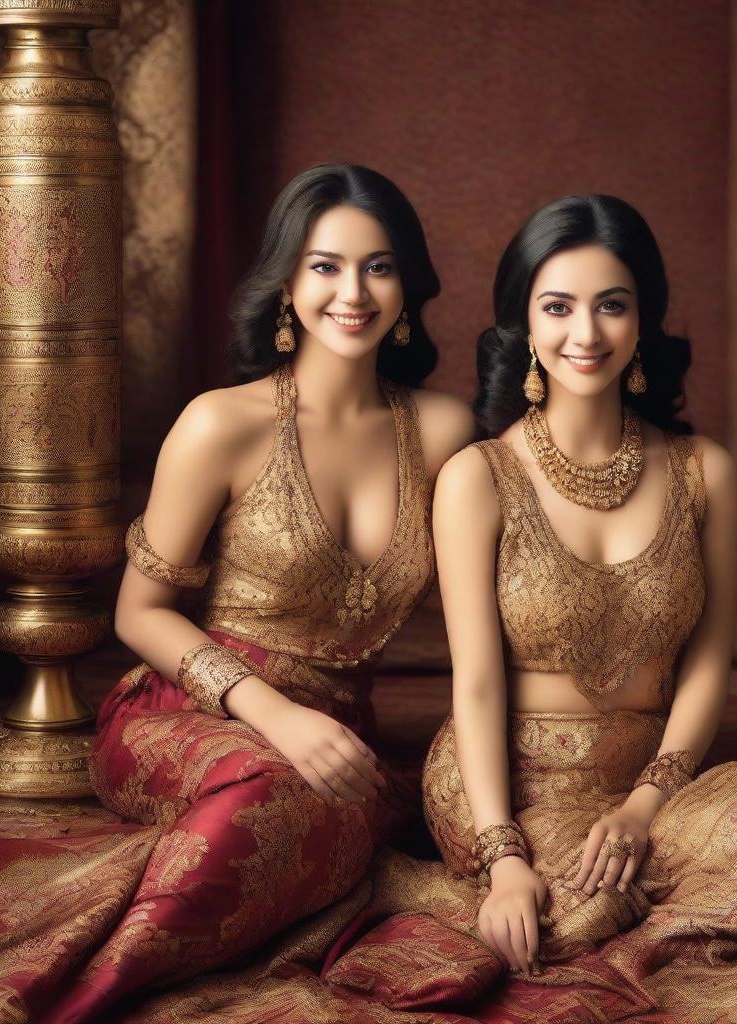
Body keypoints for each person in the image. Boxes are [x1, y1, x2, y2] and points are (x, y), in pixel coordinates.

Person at [406, 194, 737, 1020]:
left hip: (653, 782)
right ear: (523, 326)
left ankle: (619, 922)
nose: (586, 334)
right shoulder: (478, 478)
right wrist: (501, 858)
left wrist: (646, 805)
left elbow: (708, 662)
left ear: (645, 321)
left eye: (612, 305)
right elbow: (478, 684)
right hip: (507, 779)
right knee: (542, 916)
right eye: (558, 307)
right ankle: (460, 891)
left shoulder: (702, 469)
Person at [43, 164, 473, 1023]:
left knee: (334, 807)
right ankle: (78, 999)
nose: (353, 292)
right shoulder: (222, 423)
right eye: (324, 266)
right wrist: (273, 714)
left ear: (408, 285)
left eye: (378, 267)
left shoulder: (443, 431)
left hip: (342, 736)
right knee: (272, 793)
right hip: (186, 711)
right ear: (285, 281)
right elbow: (138, 612)